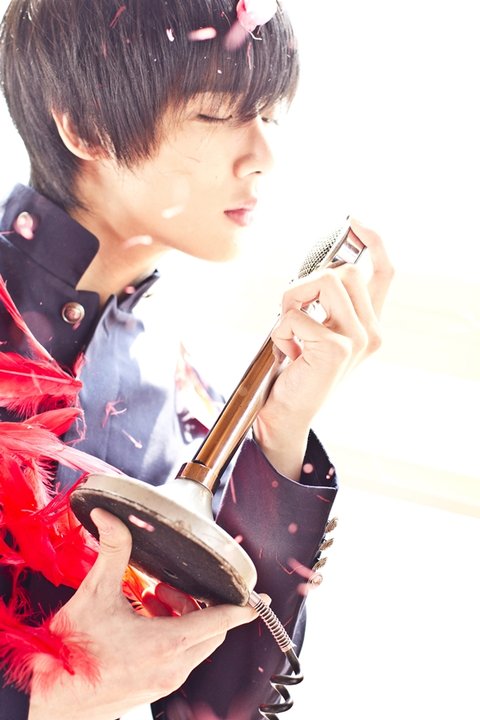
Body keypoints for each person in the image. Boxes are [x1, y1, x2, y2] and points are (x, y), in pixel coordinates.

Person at [0, 1, 394, 719]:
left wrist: (279, 438)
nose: (264, 154)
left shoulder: (180, 390)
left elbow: (209, 708)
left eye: (268, 114)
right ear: (84, 125)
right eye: (217, 114)